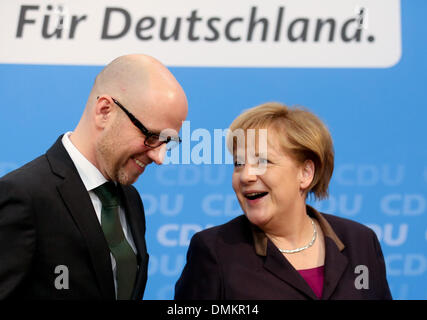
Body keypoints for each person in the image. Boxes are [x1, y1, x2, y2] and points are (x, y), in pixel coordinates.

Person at [0, 54, 188, 299]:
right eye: (151, 136)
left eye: (168, 142)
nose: (160, 157)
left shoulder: (130, 200)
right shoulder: (24, 196)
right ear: (104, 111)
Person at [175, 102, 391, 300]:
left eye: (262, 161)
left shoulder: (361, 242)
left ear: (305, 173)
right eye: (238, 163)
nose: (246, 175)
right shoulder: (215, 251)